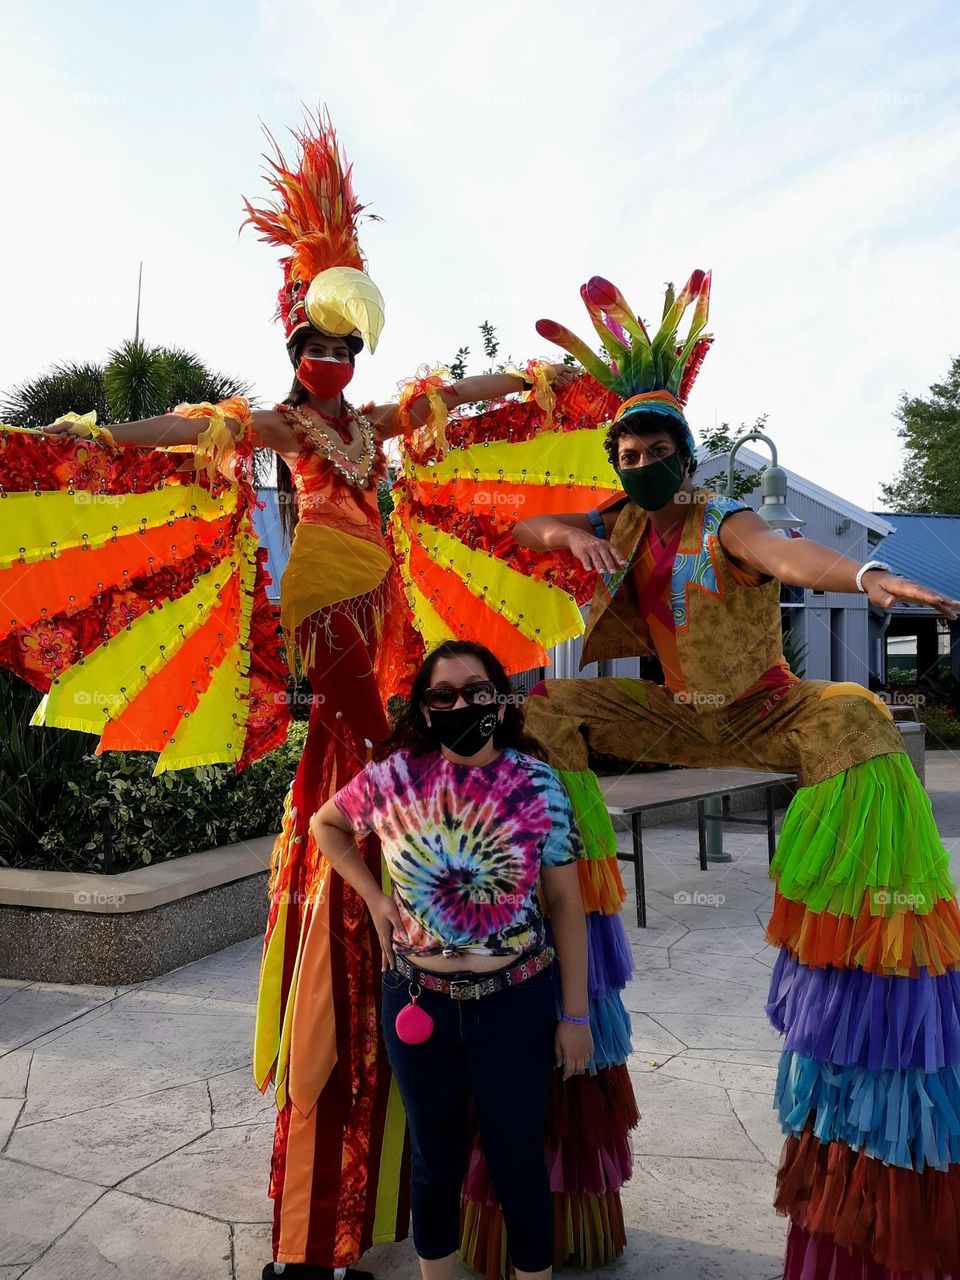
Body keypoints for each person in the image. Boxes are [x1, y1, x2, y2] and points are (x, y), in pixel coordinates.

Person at [19, 111, 577, 1280]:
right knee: (363, 845)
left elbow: (449, 403)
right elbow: (183, 429)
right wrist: (99, 434)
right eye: (320, 345)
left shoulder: (368, 429)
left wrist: (516, 379)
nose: (338, 366)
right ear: (292, 343)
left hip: (386, 646)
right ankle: (328, 1210)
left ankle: (441, 1172)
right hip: (338, 681)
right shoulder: (275, 426)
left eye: (350, 349)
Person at [508, 271, 960, 1280]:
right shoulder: (619, 524)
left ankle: (871, 932)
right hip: (669, 717)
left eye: (658, 448)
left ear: (685, 449)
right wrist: (566, 531)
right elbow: (520, 535)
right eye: (627, 452)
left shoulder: (726, 521)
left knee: (859, 713)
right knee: (543, 709)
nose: (643, 462)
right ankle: (556, 903)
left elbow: (793, 556)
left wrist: (871, 577)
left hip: (764, 707)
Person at [311, 640, 593, 1280]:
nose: (462, 703)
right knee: (433, 1159)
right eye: (444, 694)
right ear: (424, 706)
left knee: (518, 1157)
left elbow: (566, 907)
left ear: (500, 698)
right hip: (419, 1004)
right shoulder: (392, 779)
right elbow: (325, 827)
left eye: (477, 691)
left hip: (516, 1003)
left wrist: (574, 1016)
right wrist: (377, 899)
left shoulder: (538, 784)